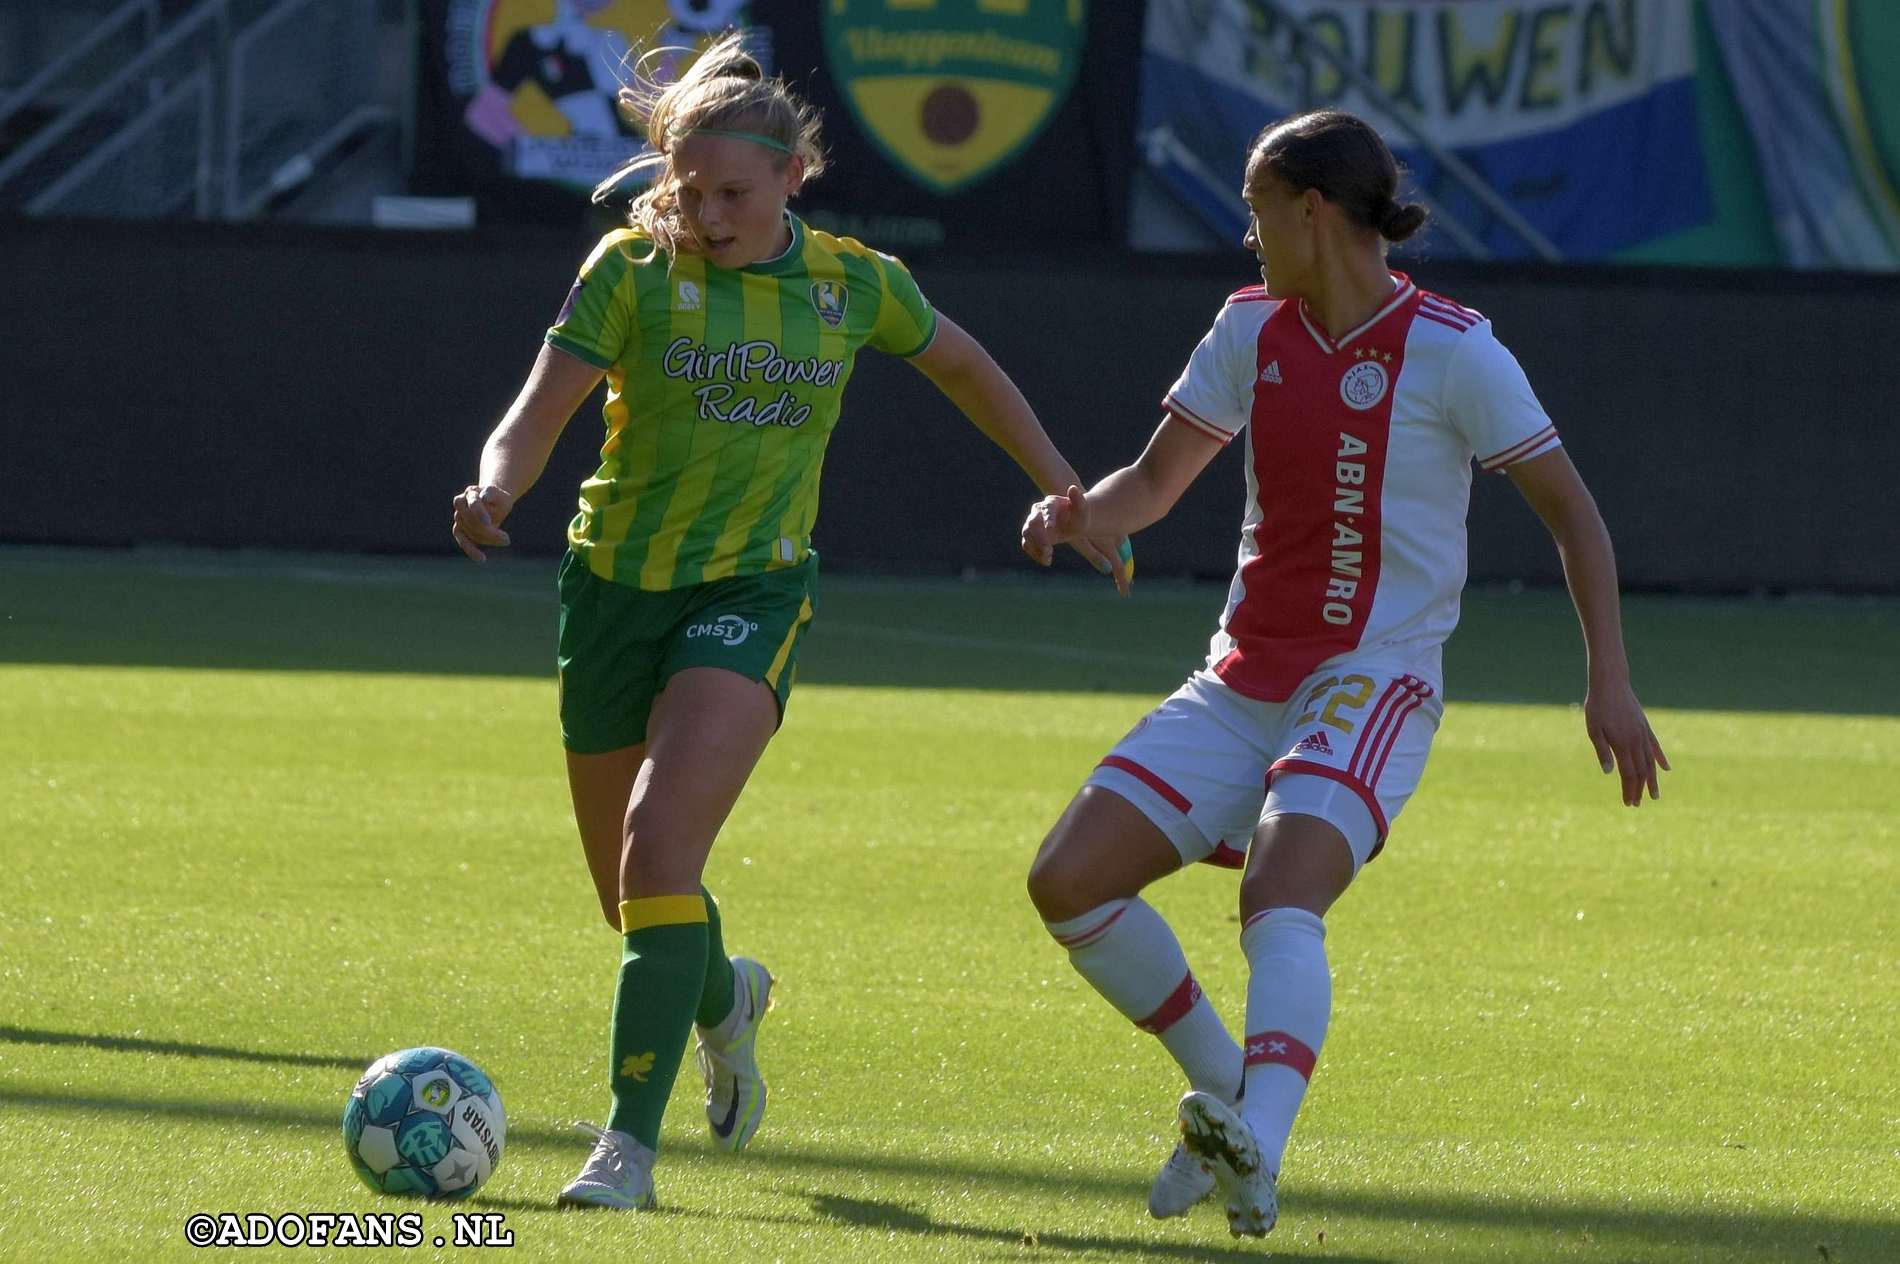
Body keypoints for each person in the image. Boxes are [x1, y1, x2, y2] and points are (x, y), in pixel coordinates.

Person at [451, 32, 1127, 1211]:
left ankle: (626, 1150)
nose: (705, 213)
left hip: (752, 594)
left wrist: (1064, 489)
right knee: (630, 895)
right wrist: (495, 485)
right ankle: (726, 994)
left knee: (661, 850)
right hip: (609, 591)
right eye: (688, 189)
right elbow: (533, 411)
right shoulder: (630, 271)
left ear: (792, 179)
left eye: (731, 193)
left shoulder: (854, 282)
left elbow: (966, 367)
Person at [1020, 109, 1669, 1239]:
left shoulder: (1455, 348)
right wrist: (1077, 513)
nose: (1248, 235)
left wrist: (1605, 678)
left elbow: (1573, 512)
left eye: (1257, 211)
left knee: (1280, 890)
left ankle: (1258, 1147)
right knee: (1067, 880)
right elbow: (1156, 481)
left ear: (1310, 211)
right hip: (1238, 675)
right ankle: (1227, 1094)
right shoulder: (1247, 328)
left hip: (1372, 676)